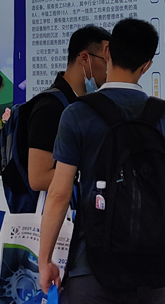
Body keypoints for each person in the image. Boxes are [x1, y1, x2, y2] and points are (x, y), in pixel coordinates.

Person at [39, 18, 165, 304]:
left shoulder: (78, 114)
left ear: (107, 51)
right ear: (147, 65)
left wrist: (45, 260)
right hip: (150, 269)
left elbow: (58, 194)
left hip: (91, 265)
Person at [26, 25, 111, 193]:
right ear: (85, 58)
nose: (111, 69)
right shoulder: (50, 107)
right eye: (107, 60)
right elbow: (38, 178)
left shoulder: (79, 103)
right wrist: (96, 173)